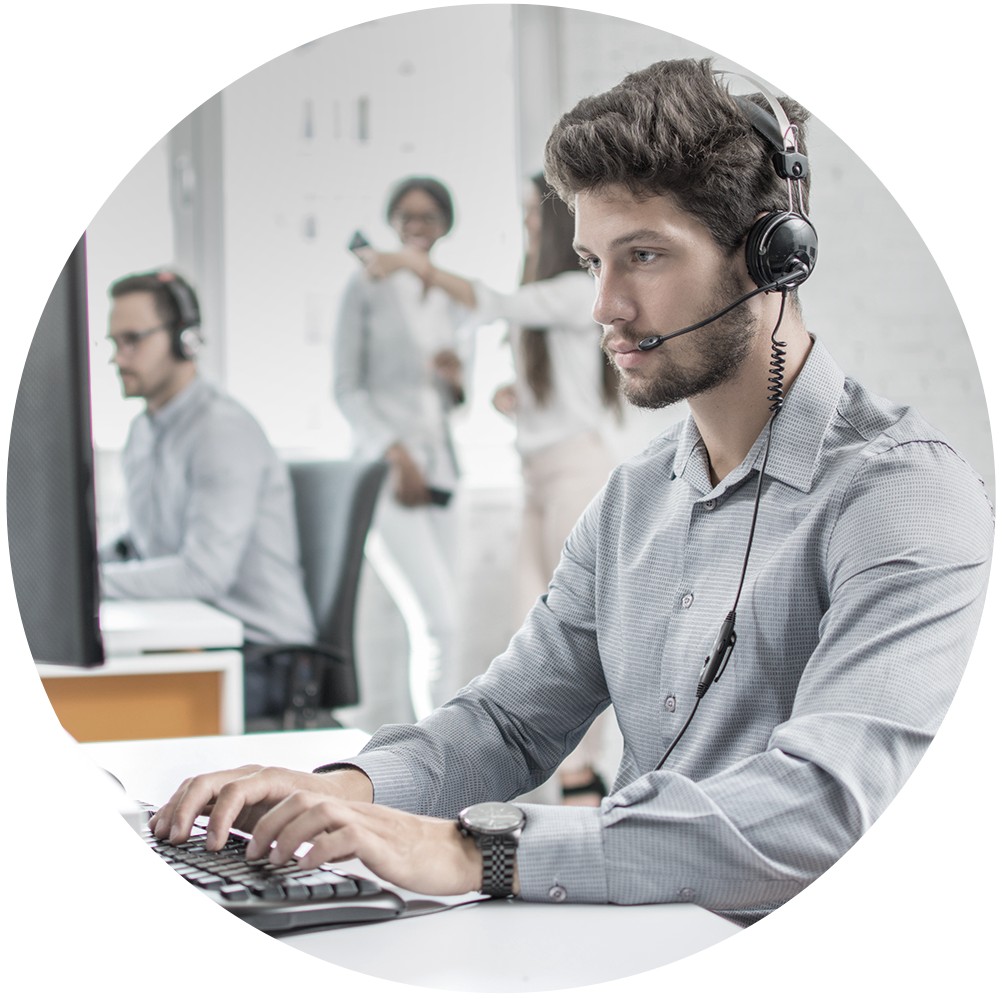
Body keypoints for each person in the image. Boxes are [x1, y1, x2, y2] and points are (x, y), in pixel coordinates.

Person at [148, 61, 993, 928]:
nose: (604, 306)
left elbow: (827, 811)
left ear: (773, 256)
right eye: (593, 260)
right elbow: (510, 723)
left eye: (645, 257)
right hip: (631, 936)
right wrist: (340, 791)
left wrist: (480, 849)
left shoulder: (903, 496)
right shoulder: (632, 501)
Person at [396, 174, 621, 804]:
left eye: (531, 217)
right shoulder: (548, 297)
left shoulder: (579, 289)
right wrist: (516, 401)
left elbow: (494, 301)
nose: (527, 227)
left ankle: (583, 778)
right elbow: (560, 381)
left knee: (586, 633)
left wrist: (410, 266)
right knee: (532, 632)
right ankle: (550, 781)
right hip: (538, 476)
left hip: (577, 473)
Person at [99, 270, 317, 718]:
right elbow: (140, 544)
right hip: (194, 638)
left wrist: (86, 587)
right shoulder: (144, 430)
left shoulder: (220, 431)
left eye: (132, 340)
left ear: (185, 340)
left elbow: (203, 575)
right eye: (113, 343)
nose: (119, 358)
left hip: (262, 658)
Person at [333, 177, 469, 716]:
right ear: (392, 221)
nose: (417, 227)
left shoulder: (449, 297)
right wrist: (395, 452)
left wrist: (455, 380)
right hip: (387, 473)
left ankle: (431, 751)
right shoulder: (366, 285)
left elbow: (454, 402)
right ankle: (440, 761)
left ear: (444, 226)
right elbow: (346, 388)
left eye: (429, 217)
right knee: (438, 623)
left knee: (442, 627)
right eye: (407, 216)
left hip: (444, 473)